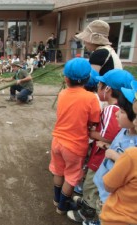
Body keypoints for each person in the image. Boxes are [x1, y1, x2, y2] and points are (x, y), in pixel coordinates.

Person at [67, 69, 134, 224]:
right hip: (106, 160)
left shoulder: (112, 109)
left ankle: (88, 214)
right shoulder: (120, 110)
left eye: (100, 84)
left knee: (93, 184)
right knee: (93, 186)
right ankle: (88, 203)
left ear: (108, 89)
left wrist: (88, 131)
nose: (97, 87)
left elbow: (107, 135)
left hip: (101, 160)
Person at [49, 58, 101, 215]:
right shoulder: (90, 98)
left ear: (66, 79)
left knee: (58, 171)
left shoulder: (62, 93)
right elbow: (94, 120)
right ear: (87, 79)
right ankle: (63, 206)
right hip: (75, 145)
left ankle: (56, 199)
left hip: (57, 141)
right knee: (71, 177)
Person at [94, 83, 137, 225]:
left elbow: (129, 163)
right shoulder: (125, 130)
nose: (117, 113)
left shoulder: (134, 146)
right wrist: (107, 146)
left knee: (103, 211)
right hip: (105, 181)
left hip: (113, 194)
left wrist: (112, 155)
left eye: (123, 112)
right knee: (99, 203)